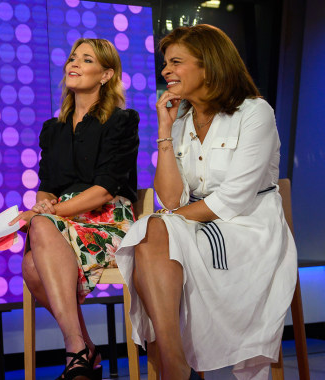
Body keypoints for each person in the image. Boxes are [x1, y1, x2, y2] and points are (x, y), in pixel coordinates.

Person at [115, 24, 297, 380]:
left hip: (248, 227)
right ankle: (174, 359)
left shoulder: (255, 113)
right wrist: (165, 131)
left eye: (176, 62)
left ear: (209, 65)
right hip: (197, 223)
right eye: (165, 63)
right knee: (153, 231)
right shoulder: (181, 121)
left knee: (153, 230)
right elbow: (171, 198)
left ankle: (172, 366)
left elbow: (234, 198)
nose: (166, 71)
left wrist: (168, 220)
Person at [10, 38, 139, 380]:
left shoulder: (122, 121)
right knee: (34, 253)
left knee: (33, 261)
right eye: (72, 58)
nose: (74, 64)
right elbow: (48, 184)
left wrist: (48, 214)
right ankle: (80, 349)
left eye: (86, 60)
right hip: (63, 220)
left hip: (108, 219)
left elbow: (105, 190)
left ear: (106, 75)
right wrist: (43, 203)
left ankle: (79, 351)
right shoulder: (53, 129)